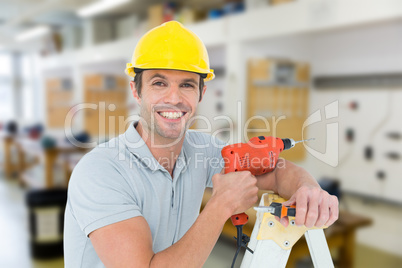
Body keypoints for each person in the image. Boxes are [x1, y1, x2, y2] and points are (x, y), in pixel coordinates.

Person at [64, 21, 338, 267]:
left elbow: (276, 170)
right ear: (136, 90)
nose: (174, 98)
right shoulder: (101, 171)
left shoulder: (202, 151)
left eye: (186, 85)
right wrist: (220, 206)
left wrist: (308, 191)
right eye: (159, 83)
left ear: (201, 93)